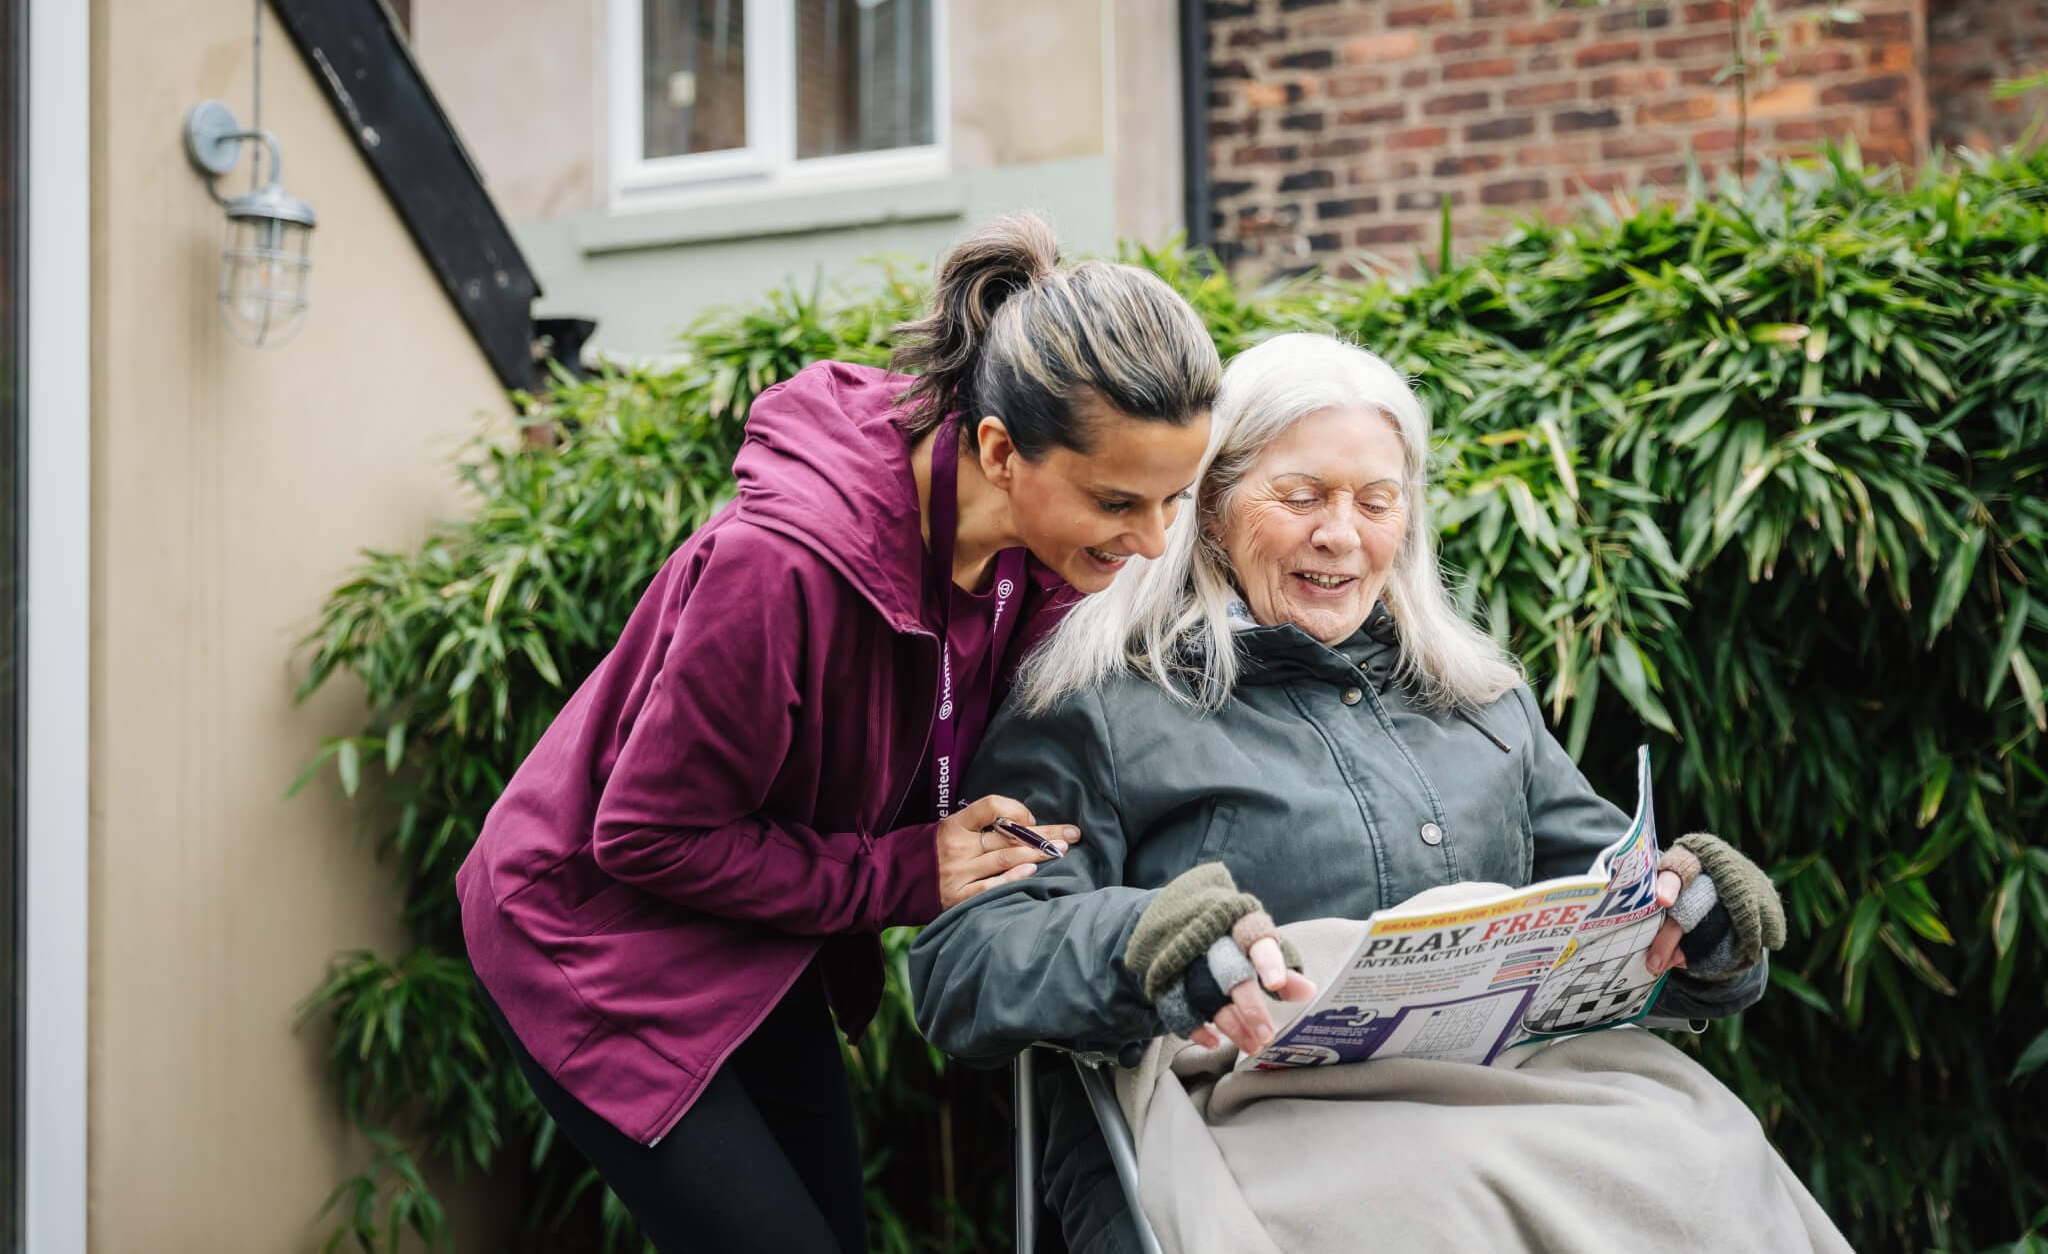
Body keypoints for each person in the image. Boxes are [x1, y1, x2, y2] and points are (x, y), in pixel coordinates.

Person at [910, 333, 1847, 1254]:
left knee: (1707, 1161)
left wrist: (1709, 925)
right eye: (1302, 494)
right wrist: (1141, 942)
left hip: (1518, 1091)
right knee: (1435, 1207)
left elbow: (1627, 907)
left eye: (1375, 500)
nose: (1341, 532)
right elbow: (964, 965)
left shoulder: (1480, 698)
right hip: (1250, 1116)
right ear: (1212, 504)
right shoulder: (1099, 700)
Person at [455, 212, 1221, 1253]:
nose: (1149, 540)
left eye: (1174, 497)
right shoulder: (780, 569)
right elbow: (644, 835)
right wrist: (910, 872)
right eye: (1118, 501)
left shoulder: (1029, 554)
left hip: (757, 930)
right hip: (593, 930)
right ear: (999, 450)